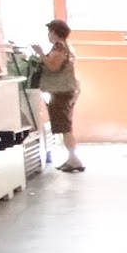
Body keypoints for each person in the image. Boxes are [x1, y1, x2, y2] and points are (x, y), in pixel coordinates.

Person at [32, 19, 83, 171]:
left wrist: (41, 54)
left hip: (60, 91)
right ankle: (71, 158)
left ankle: (74, 159)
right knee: (64, 126)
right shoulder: (67, 47)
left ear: (54, 32)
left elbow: (53, 66)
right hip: (65, 91)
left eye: (50, 31)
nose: (48, 34)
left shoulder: (59, 47)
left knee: (65, 127)